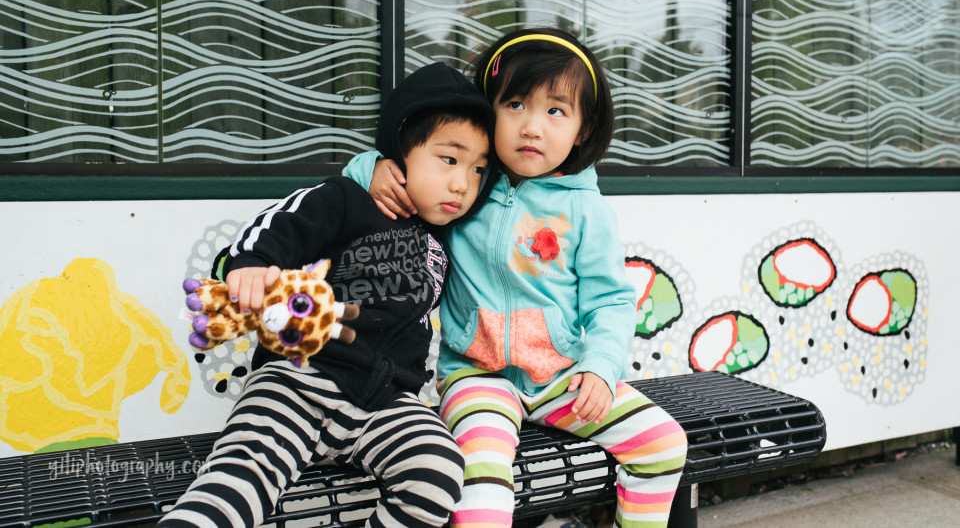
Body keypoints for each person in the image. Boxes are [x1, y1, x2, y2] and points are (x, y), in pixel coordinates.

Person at [344, 28, 688, 528]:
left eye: (556, 111)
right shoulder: (466, 186)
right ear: (489, 111)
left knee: (663, 444)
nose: (532, 127)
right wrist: (374, 167)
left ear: (583, 130)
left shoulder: (586, 209)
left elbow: (611, 301)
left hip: (562, 377)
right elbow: (391, 174)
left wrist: (600, 367)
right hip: (476, 376)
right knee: (482, 486)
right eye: (515, 104)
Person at [159, 62, 495, 528]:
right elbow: (279, 226)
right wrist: (251, 265)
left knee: (438, 472)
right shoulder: (346, 199)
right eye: (449, 159)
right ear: (399, 154)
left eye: (478, 169)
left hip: (387, 400)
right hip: (299, 380)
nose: (463, 183)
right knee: (237, 481)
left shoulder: (449, 237)